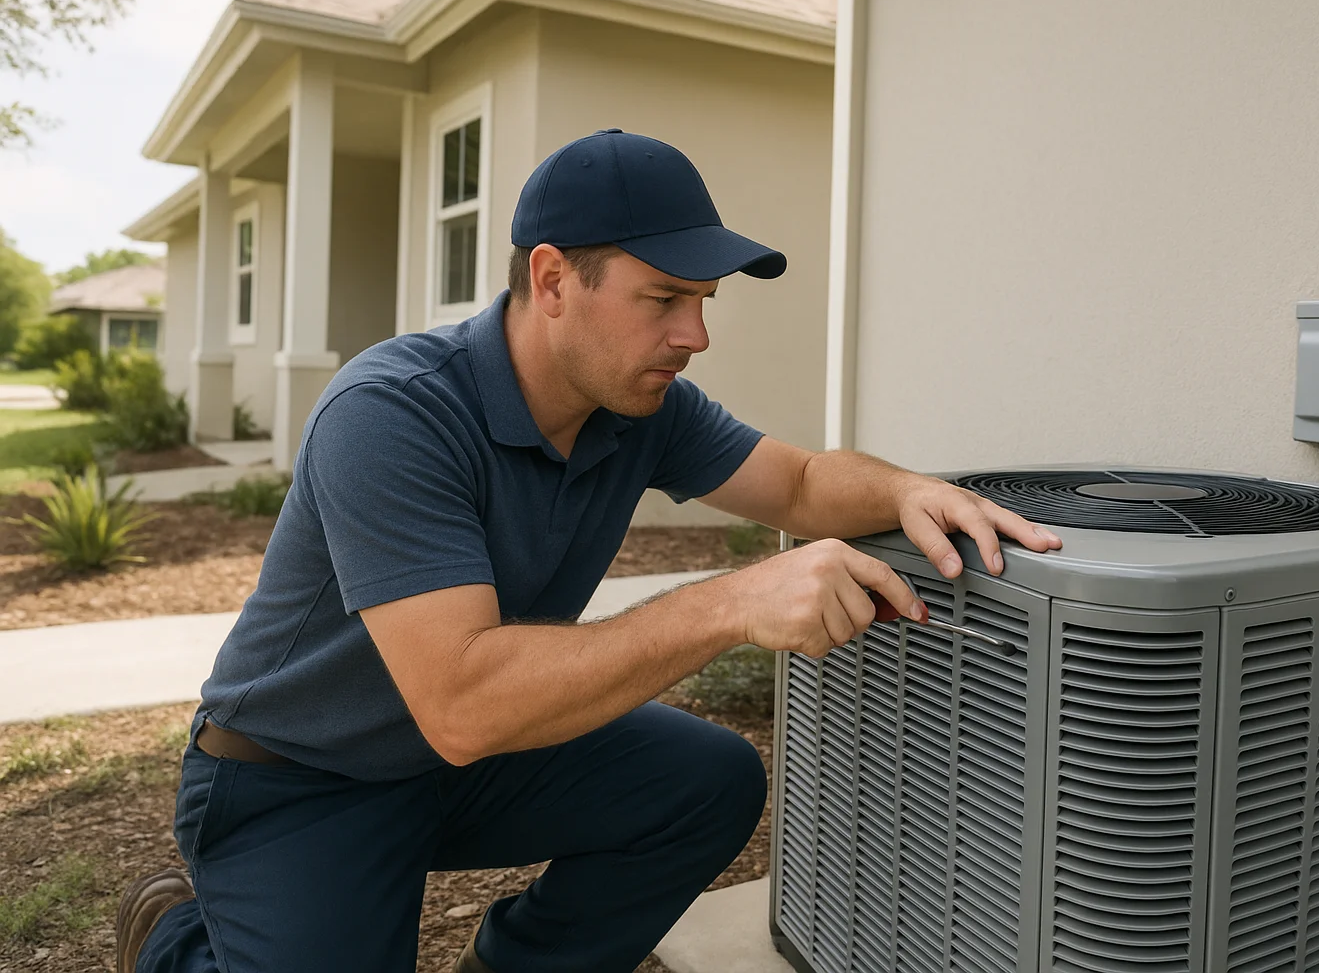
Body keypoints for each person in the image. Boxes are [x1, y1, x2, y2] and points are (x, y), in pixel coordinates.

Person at [114, 129, 1062, 973]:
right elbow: (463, 701)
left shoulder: (639, 404)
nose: (694, 336)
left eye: (703, 301)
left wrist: (908, 490)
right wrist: (731, 602)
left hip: (462, 763)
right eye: (664, 300)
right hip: (299, 777)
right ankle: (173, 938)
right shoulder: (393, 413)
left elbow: (804, 483)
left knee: (705, 781)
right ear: (555, 280)